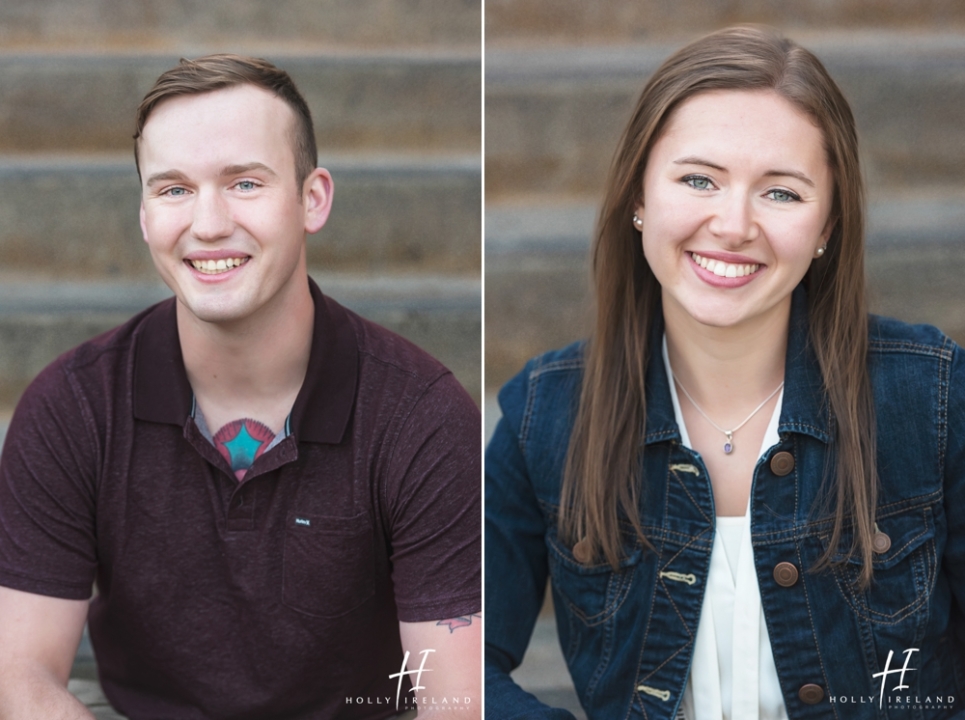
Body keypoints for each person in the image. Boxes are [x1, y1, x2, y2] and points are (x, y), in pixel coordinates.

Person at [485, 25, 965, 720]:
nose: (732, 224)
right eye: (698, 179)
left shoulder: (933, 398)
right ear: (638, 198)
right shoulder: (545, 412)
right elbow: (453, 664)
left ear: (827, 223)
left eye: (781, 193)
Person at [0, 54, 481, 720]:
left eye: (244, 183)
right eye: (172, 189)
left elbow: (455, 701)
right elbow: (21, 677)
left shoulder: (419, 415)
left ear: (311, 199)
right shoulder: (72, 407)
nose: (208, 224)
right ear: (143, 216)